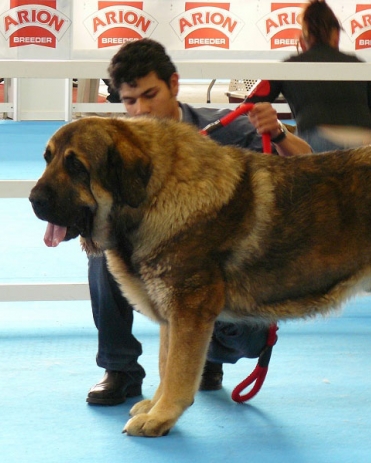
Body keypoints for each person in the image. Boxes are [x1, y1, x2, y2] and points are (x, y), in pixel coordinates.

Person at [86, 38, 312, 406]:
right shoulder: (117, 150)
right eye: (130, 101)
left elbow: (306, 169)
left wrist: (281, 133)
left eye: (150, 95)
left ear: (174, 85)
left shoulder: (225, 130)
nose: (141, 110)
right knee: (102, 246)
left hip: (222, 278)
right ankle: (120, 369)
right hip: (156, 272)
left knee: (247, 339)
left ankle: (203, 356)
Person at [246, 0, 371, 152]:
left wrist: (276, 128)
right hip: (365, 144)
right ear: (337, 36)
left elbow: (249, 105)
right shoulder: (357, 63)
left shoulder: (288, 66)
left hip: (316, 141)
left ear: (302, 40)